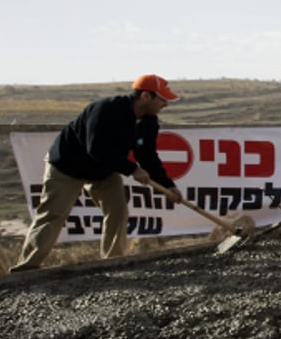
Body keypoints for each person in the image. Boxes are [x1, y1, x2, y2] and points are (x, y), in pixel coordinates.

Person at [10, 74, 184, 272]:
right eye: (162, 99)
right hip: (67, 167)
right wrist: (132, 169)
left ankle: (112, 262)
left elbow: (147, 154)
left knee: (118, 211)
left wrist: (167, 185)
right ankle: (26, 267)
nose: (165, 105)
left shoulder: (149, 122)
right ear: (146, 96)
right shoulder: (106, 109)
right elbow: (97, 149)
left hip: (103, 171)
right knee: (53, 215)